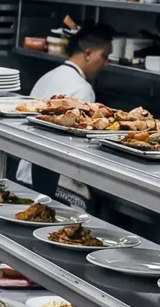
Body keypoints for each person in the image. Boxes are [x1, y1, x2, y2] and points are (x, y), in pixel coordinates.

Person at [15, 25, 113, 195]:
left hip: (25, 171)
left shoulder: (49, 76)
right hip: (51, 180)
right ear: (88, 54)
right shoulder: (82, 90)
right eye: (104, 56)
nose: (106, 64)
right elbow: (76, 145)